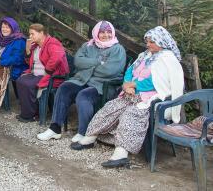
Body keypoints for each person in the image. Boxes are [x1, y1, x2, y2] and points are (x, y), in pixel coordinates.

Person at [75, 26, 184, 168]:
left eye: (152, 42)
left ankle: (121, 153)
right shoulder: (145, 55)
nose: (148, 44)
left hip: (151, 97)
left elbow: (157, 82)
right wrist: (126, 85)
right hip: (131, 93)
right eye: (147, 41)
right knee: (110, 108)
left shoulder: (167, 59)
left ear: (162, 42)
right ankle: (90, 137)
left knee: (131, 114)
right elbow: (130, 70)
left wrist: (134, 85)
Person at [37, 21, 127, 143]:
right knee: (65, 88)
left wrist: (88, 65)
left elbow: (110, 70)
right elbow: (78, 62)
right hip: (82, 80)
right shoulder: (88, 45)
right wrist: (98, 62)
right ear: (96, 33)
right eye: (102, 32)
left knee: (84, 95)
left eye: (108, 32)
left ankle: (83, 132)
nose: (106, 35)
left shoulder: (118, 49)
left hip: (102, 86)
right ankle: (55, 129)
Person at [15, 23, 69, 122]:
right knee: (20, 80)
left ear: (41, 33)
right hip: (36, 73)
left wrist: (47, 71)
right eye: (29, 34)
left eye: (32, 34)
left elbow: (57, 56)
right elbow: (30, 63)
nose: (30, 36)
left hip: (52, 75)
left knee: (29, 84)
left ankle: (33, 115)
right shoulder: (35, 46)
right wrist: (27, 51)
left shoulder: (52, 43)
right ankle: (28, 112)